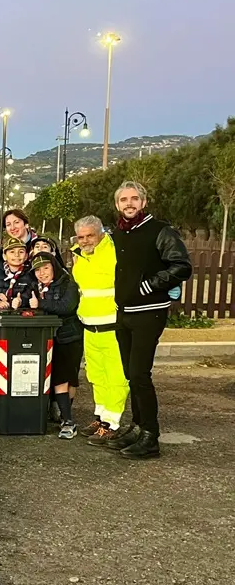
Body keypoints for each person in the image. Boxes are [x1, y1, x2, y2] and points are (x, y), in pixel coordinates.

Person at [102, 181, 192, 460]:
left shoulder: (160, 230)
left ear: (143, 202)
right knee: (130, 374)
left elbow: (182, 266)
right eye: (123, 200)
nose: (129, 203)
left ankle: (151, 436)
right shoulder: (119, 232)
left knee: (140, 374)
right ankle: (137, 427)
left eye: (134, 198)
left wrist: (151, 284)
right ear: (117, 204)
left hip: (149, 311)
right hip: (124, 312)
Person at [72, 216, 129, 444]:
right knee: (96, 376)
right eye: (81, 237)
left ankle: (112, 424)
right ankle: (101, 417)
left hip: (114, 328)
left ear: (101, 234)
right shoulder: (79, 256)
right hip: (90, 328)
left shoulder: (114, 252)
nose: (85, 240)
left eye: (90, 235)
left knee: (116, 378)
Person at [28, 251, 83, 440]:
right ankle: (66, 418)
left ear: (54, 267)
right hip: (46, 338)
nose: (42, 273)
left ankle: (65, 415)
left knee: (69, 379)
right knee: (60, 379)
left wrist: (41, 303)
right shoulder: (34, 286)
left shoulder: (68, 283)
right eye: (37, 270)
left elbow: (67, 307)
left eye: (46, 268)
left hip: (69, 337)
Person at [0, 235, 37, 310]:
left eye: (21, 252)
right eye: (12, 252)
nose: (17, 255)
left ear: (26, 256)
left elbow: (32, 296)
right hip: (0, 313)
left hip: (23, 313)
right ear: (4, 256)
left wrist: (21, 301)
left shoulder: (31, 274)